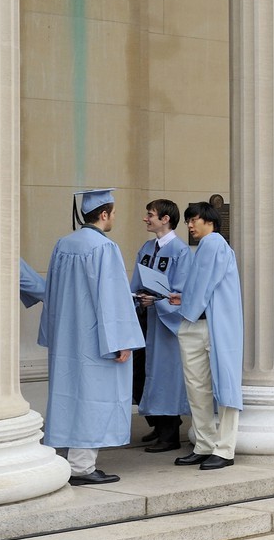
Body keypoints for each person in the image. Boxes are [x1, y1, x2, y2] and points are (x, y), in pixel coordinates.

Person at [38, 189, 145, 485]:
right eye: (113, 213)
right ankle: (82, 467)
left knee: (69, 396)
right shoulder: (103, 248)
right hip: (96, 339)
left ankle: (70, 461)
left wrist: (52, 332)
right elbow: (111, 298)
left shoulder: (63, 244)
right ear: (104, 214)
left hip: (68, 337)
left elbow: (52, 294)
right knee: (93, 398)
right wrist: (122, 341)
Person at [167, 200, 244, 468]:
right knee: (198, 388)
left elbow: (202, 287)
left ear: (209, 221)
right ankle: (206, 444)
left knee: (220, 387)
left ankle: (222, 448)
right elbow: (201, 288)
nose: (189, 225)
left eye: (193, 220)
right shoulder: (205, 248)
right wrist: (184, 297)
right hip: (198, 321)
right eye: (188, 221)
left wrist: (186, 300)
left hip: (209, 325)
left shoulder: (214, 244)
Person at [130, 198, 190, 454]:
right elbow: (136, 281)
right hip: (145, 317)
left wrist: (158, 302)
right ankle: (157, 423)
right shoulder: (146, 247)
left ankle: (169, 435)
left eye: (150, 214)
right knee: (140, 373)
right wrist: (136, 300)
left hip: (165, 322)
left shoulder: (180, 251)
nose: (146, 218)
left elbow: (182, 291)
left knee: (164, 376)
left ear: (165, 218)